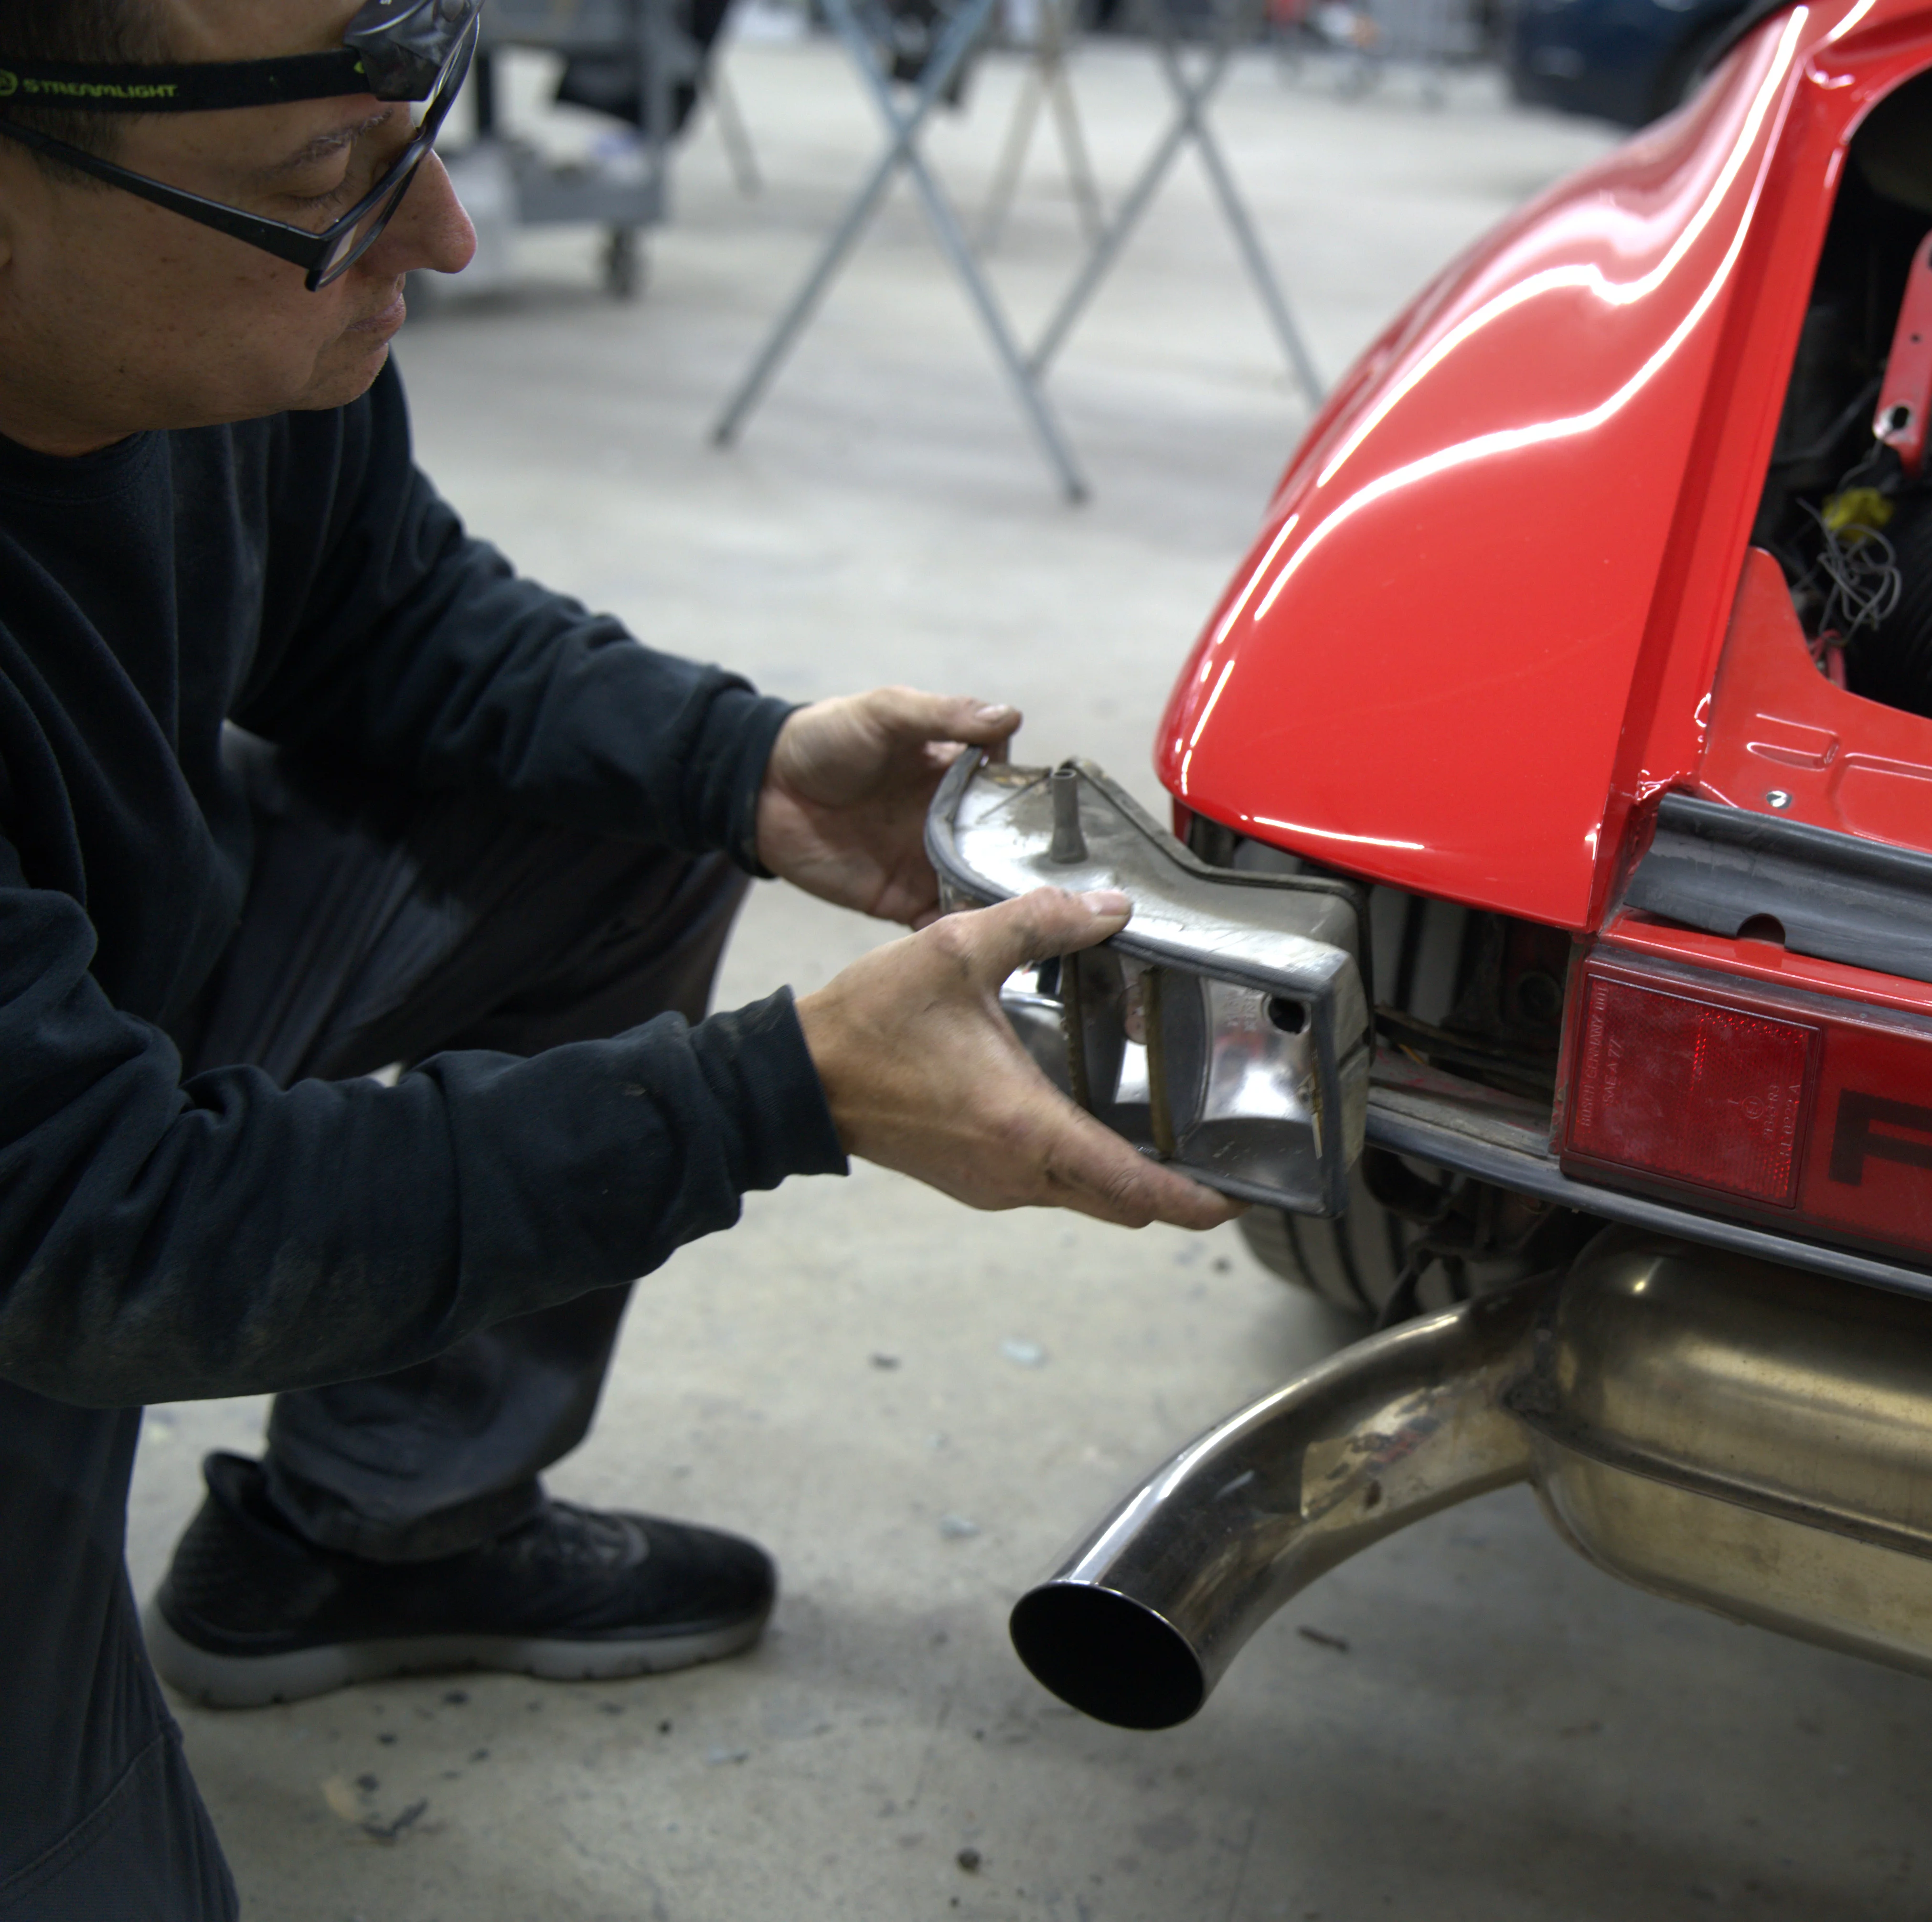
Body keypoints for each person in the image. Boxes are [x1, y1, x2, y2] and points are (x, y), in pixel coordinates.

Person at [0, 0, 1236, 1914]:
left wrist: (741, 764)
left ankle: (377, 1533)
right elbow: (97, 1231)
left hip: (68, 1059)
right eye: (330, 183)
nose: (444, 238)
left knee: (618, 812)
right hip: (48, 1212)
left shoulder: (228, 338)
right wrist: (778, 1092)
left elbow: (379, 603)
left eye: (419, 132)